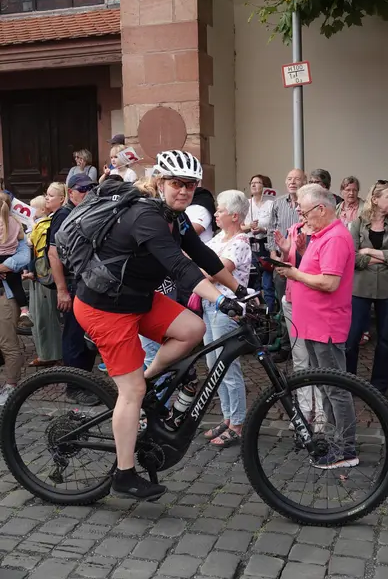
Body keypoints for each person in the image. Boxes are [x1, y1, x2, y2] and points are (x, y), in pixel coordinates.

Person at [73, 150, 248, 501]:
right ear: (160, 182)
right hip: (104, 307)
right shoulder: (145, 216)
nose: (184, 190)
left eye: (191, 185)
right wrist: (221, 301)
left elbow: (203, 256)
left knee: (193, 329)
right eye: (176, 183)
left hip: (136, 298)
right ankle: (124, 475)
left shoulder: (175, 217)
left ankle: (147, 379)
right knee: (131, 392)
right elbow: (180, 267)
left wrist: (242, 291)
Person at [279, 184, 357, 469]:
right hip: (313, 324)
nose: (301, 217)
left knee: (336, 389)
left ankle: (346, 449)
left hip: (325, 324)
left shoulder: (335, 237)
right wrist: (299, 255)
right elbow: (315, 271)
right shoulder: (321, 235)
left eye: (304, 211)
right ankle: (336, 441)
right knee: (326, 387)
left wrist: (294, 274)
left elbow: (329, 282)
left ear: (321, 209)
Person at [202, 190, 252, 447]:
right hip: (209, 304)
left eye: (220, 210)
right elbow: (199, 261)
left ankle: (238, 423)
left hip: (226, 309)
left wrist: (197, 269)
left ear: (234, 216)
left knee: (228, 367)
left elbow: (214, 273)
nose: (215, 214)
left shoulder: (240, 242)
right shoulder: (219, 238)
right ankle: (227, 417)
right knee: (214, 366)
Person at [346, 181, 388, 393]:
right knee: (352, 338)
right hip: (361, 287)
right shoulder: (358, 223)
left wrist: (369, 252)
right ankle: (348, 382)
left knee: (385, 340)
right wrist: (383, 258)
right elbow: (352, 257)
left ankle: (379, 387)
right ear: (375, 199)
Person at [48, 174, 97, 405]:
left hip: (86, 284)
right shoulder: (64, 214)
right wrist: (61, 290)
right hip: (71, 284)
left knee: (88, 335)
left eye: (91, 188)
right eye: (82, 189)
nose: (87, 192)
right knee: (74, 336)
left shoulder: (85, 211)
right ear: (71, 192)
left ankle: (85, 382)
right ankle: (74, 386)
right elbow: (53, 254)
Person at [274, 212, 325, 426]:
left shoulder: (325, 234)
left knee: (319, 360)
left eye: (304, 207)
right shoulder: (294, 230)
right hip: (292, 299)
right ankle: (304, 410)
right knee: (300, 357)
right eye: (299, 207)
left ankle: (322, 412)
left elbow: (320, 271)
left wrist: (303, 252)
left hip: (316, 303)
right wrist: (285, 253)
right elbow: (286, 268)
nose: (300, 211)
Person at [267, 168, 306, 362]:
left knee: (301, 307)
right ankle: (285, 346)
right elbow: (270, 229)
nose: (292, 182)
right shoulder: (278, 203)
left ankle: (303, 347)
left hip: (303, 263)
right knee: (284, 305)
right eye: (289, 178)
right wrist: (274, 255)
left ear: (304, 182)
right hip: (282, 261)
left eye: (297, 179)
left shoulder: (307, 203)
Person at [25, 194, 62, 367]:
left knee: (44, 316)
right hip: (40, 274)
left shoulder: (42, 225)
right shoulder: (44, 223)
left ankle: (50, 354)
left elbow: (33, 245)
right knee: (41, 316)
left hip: (42, 275)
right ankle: (47, 353)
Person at [336, 176, 369, 344]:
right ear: (342, 191)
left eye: (354, 190)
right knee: (343, 294)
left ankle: (363, 330)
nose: (351, 193)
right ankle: (346, 329)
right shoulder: (337, 209)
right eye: (348, 190)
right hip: (340, 254)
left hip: (358, 253)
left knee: (359, 295)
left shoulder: (365, 208)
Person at [0, 238, 31, 404]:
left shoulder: (12, 233)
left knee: (8, 343)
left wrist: (4, 265)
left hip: (5, 297)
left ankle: (11, 386)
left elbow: (24, 257)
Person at [242, 174, 275, 311]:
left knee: (267, 283)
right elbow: (239, 227)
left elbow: (276, 226)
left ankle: (270, 312)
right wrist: (249, 227)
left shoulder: (272, 204)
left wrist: (263, 229)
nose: (254, 185)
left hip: (267, 245)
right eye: (252, 182)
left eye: (258, 182)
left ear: (265, 186)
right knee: (252, 281)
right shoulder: (246, 204)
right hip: (250, 245)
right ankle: (254, 313)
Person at [0, 191, 32, 329]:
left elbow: (25, 255)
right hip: (10, 256)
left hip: (4, 259)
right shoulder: (16, 221)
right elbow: (20, 237)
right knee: (17, 285)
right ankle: (24, 311)